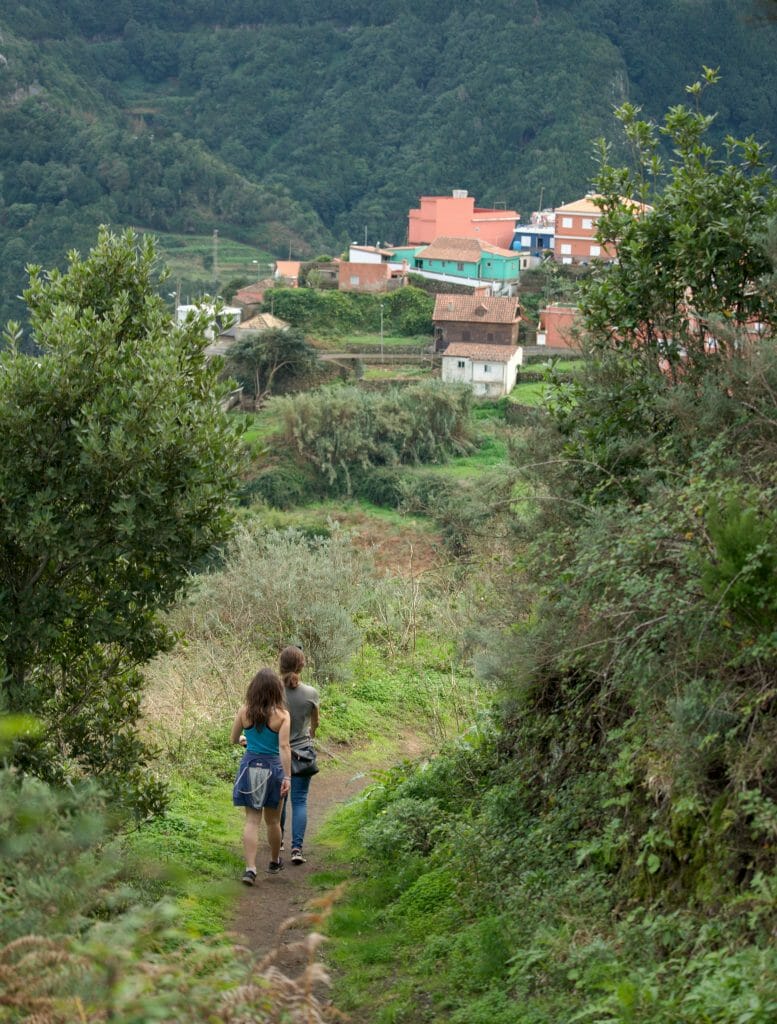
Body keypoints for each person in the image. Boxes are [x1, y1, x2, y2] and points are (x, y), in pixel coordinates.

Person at [231, 667, 291, 884]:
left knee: (252, 821)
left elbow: (234, 738)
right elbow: (284, 747)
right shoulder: (282, 716)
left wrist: (245, 741)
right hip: (273, 768)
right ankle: (274, 861)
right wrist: (287, 777)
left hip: (250, 766)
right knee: (273, 821)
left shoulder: (244, 711)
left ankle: (250, 869)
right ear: (276, 690)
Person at [279, 645, 320, 865]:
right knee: (300, 801)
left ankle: (280, 842)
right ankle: (297, 848)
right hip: (303, 752)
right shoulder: (311, 693)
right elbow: (315, 723)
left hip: (279, 752)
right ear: (302, 665)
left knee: (281, 800)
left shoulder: (273, 692)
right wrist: (310, 733)